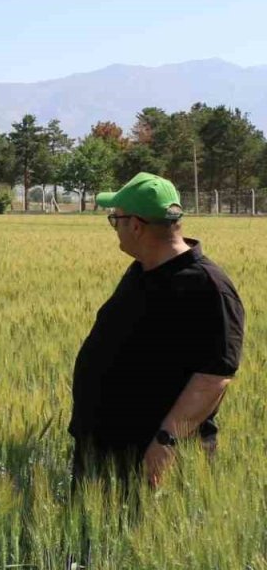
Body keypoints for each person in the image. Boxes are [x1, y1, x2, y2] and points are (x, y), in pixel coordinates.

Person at [69, 172, 244, 488]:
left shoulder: (208, 287)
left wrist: (165, 442)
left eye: (115, 219)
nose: (114, 227)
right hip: (102, 451)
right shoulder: (142, 270)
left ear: (135, 225)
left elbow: (215, 376)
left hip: (150, 457)